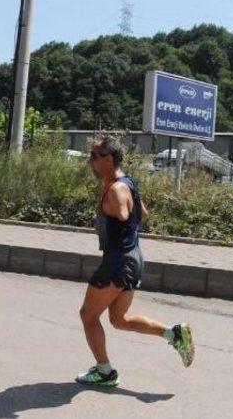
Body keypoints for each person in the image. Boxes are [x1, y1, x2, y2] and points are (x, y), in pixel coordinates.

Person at [76, 135, 194, 387]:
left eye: (94, 156)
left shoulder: (116, 188)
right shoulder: (127, 182)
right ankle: (173, 334)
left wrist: (107, 217)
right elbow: (143, 213)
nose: (90, 162)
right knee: (119, 319)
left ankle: (105, 372)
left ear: (108, 159)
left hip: (118, 262)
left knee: (88, 315)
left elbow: (124, 213)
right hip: (133, 258)